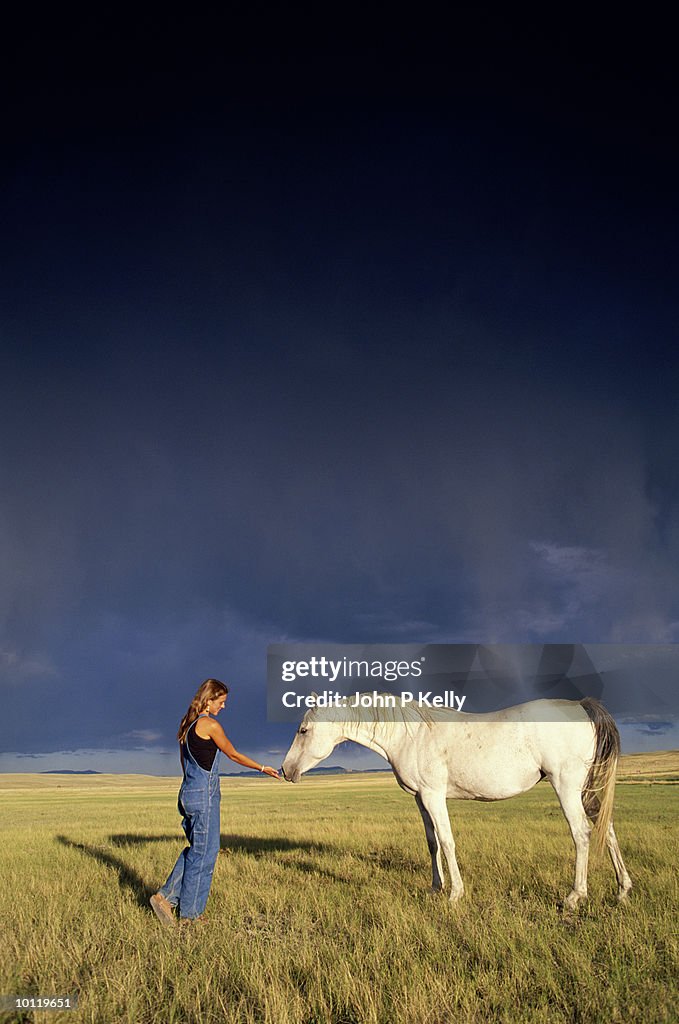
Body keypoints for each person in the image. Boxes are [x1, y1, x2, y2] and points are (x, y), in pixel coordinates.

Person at [150, 678, 279, 926]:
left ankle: (165, 897)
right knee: (206, 855)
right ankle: (191, 916)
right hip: (203, 796)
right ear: (208, 701)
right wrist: (262, 768)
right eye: (221, 702)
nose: (223, 707)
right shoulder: (209, 725)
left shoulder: (186, 726)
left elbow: (184, 765)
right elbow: (232, 753)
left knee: (196, 850)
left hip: (187, 793)